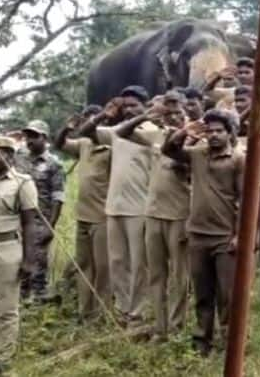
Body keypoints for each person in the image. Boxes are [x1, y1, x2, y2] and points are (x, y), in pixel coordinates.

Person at [162, 109, 244, 356]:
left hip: (224, 237)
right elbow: (169, 151)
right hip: (198, 234)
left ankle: (230, 341)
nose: (215, 135)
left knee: (227, 294)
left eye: (220, 131)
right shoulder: (197, 154)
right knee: (202, 292)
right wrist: (184, 133)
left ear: (230, 133)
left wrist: (241, 235)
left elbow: (247, 199)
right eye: (210, 131)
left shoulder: (238, 159)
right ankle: (201, 341)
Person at [115, 91, 190, 341]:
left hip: (180, 215)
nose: (175, 116)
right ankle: (160, 327)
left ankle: (177, 326)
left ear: (186, 110)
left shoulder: (196, 139)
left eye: (178, 110)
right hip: (153, 214)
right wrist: (144, 116)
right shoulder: (155, 135)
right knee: (156, 274)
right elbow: (121, 134)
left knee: (180, 276)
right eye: (169, 112)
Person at [78, 85, 155, 326]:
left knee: (138, 264)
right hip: (113, 207)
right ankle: (123, 310)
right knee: (118, 262)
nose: (129, 110)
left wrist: (145, 116)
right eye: (126, 106)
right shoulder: (116, 132)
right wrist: (104, 114)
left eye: (134, 105)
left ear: (146, 106)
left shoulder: (153, 132)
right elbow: (85, 130)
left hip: (140, 207)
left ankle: (138, 312)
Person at [0, 137, 37, 375]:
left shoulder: (22, 183)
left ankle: (2, 355)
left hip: (7, 248)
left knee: (7, 306)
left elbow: (30, 223)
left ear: (10, 156)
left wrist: (29, 260)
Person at [55, 106, 113, 320]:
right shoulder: (83, 145)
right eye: (87, 122)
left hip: (104, 216)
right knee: (84, 265)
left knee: (103, 267)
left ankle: (102, 313)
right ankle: (85, 311)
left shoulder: (112, 148)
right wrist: (66, 128)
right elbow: (59, 144)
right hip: (83, 215)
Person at [17, 120, 65, 302]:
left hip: (39, 219)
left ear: (44, 137)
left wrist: (50, 226)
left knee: (37, 260)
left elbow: (58, 197)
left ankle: (39, 298)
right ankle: (21, 296)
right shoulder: (19, 156)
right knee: (17, 259)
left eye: (34, 136)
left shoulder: (54, 164)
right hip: (17, 217)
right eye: (27, 136)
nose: (29, 140)